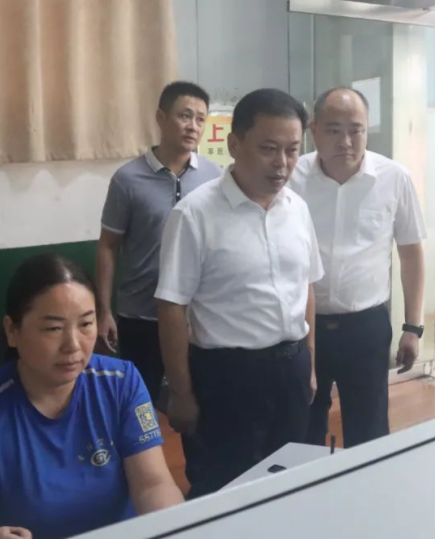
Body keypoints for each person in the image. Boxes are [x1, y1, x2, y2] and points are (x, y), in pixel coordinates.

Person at [0, 254, 183, 539]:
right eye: (53, 328)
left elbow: (153, 484)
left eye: (86, 324)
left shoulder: (121, 382)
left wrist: (179, 528)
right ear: (12, 330)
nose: (73, 345)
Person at [155, 88, 323, 498]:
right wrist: (181, 392)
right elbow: (171, 306)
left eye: (292, 150)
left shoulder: (297, 209)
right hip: (227, 377)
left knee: (288, 483)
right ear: (234, 144)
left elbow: (306, 288)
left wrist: (309, 363)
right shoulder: (194, 214)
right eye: (268, 148)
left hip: (291, 367)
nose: (282, 163)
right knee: (224, 489)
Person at [290, 87, 427, 448]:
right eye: (334, 130)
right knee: (303, 426)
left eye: (356, 130)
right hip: (303, 326)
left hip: (365, 327)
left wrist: (413, 327)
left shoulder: (394, 178)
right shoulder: (292, 177)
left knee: (369, 428)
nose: (346, 142)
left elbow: (411, 254)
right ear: (314, 130)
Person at [96, 81, 222, 404]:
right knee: (138, 405)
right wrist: (104, 311)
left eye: (200, 119)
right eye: (185, 116)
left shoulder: (216, 178)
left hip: (196, 317)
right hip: (140, 316)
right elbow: (108, 246)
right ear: (161, 118)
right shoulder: (127, 179)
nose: (193, 126)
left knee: (200, 403)